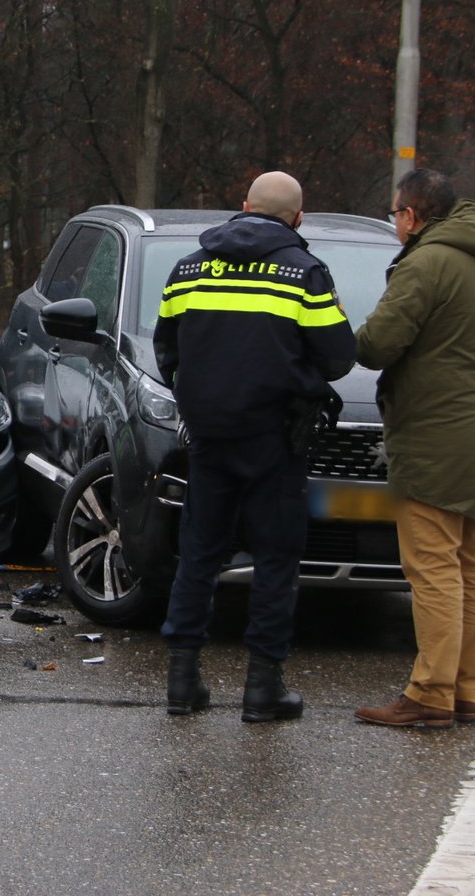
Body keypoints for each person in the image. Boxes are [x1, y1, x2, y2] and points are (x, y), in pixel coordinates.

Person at [154, 171, 356, 722]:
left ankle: (182, 682)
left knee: (198, 555)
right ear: (298, 217)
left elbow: (165, 349)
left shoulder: (189, 268)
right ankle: (262, 690)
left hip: (209, 436)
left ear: (242, 207)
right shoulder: (304, 273)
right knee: (274, 560)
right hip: (276, 438)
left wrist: (197, 399)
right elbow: (339, 356)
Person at [353, 169, 475, 730]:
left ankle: (429, 692)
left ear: (410, 215)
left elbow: (378, 345)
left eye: (395, 215)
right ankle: (463, 692)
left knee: (432, 570)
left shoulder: (427, 262)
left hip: (434, 438)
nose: (396, 225)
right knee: (473, 568)